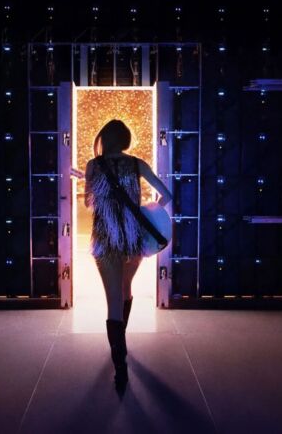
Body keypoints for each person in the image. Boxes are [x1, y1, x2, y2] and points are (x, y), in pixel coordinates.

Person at [84, 119, 172, 395]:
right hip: (133, 238)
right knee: (126, 288)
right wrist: (147, 210)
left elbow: (88, 203)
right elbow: (166, 195)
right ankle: (121, 340)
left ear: (104, 138)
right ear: (125, 139)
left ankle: (120, 366)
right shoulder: (137, 164)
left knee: (112, 302)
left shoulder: (93, 165)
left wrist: (95, 190)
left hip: (106, 238)